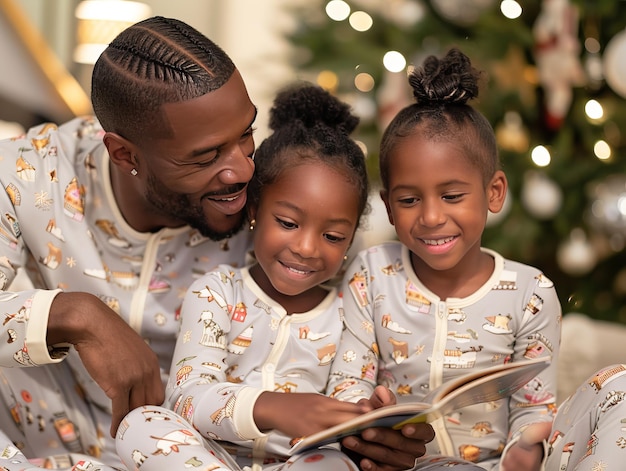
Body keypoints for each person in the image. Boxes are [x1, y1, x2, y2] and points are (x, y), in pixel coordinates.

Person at [0, 16, 432, 471]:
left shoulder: (281, 197)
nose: (243, 171)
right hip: (44, 438)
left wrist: (373, 428)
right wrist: (78, 314)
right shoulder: (30, 172)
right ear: (124, 153)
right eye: (206, 157)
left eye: (246, 134)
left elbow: (349, 333)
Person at [115, 82, 434, 471]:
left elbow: (350, 393)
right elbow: (186, 397)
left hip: (299, 463)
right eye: (287, 222)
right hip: (211, 460)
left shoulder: (351, 312)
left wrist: (368, 416)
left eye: (333, 236)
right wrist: (269, 407)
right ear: (254, 210)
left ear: (351, 240)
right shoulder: (217, 293)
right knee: (141, 426)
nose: (306, 248)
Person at [327, 48, 562, 471]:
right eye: (409, 200)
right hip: (404, 464)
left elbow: (535, 406)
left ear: (494, 192)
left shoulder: (531, 293)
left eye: (452, 196)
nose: (432, 217)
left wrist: (526, 451)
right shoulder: (372, 274)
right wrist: (368, 415)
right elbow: (347, 382)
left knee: (615, 388)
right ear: (389, 207)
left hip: (496, 466)